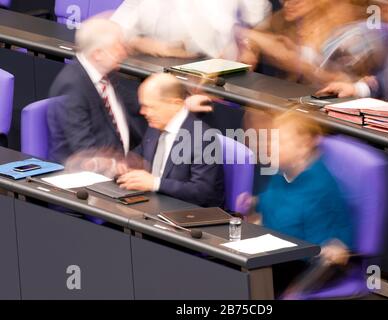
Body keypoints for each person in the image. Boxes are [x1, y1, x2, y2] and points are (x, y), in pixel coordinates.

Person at [238, 110, 354, 296]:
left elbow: (321, 252)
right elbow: (272, 206)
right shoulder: (282, 173)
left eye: (280, 142)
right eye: (272, 140)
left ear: (304, 145)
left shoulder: (319, 187)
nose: (271, 147)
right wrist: (254, 203)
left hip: (302, 266)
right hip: (276, 255)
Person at [117, 73, 225, 207]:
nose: (143, 112)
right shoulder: (155, 125)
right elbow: (140, 154)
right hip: (151, 204)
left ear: (176, 104)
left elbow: (202, 192)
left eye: (150, 107)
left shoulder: (203, 138)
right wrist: (123, 165)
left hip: (185, 214)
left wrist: (155, 183)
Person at [47, 18, 145, 164]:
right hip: (85, 174)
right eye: (118, 47)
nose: (124, 52)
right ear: (97, 54)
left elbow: (135, 102)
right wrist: (121, 166)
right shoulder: (72, 87)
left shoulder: (105, 72)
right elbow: (84, 150)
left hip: (123, 160)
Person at [238, 0, 388, 85]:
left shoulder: (360, 32)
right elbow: (260, 33)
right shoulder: (288, 18)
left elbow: (348, 85)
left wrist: (300, 63)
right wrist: (250, 45)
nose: (288, 3)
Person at [111, 0, 272, 59]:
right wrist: (145, 44)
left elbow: (259, 18)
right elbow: (115, 29)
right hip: (159, 75)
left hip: (218, 77)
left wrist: (250, 47)